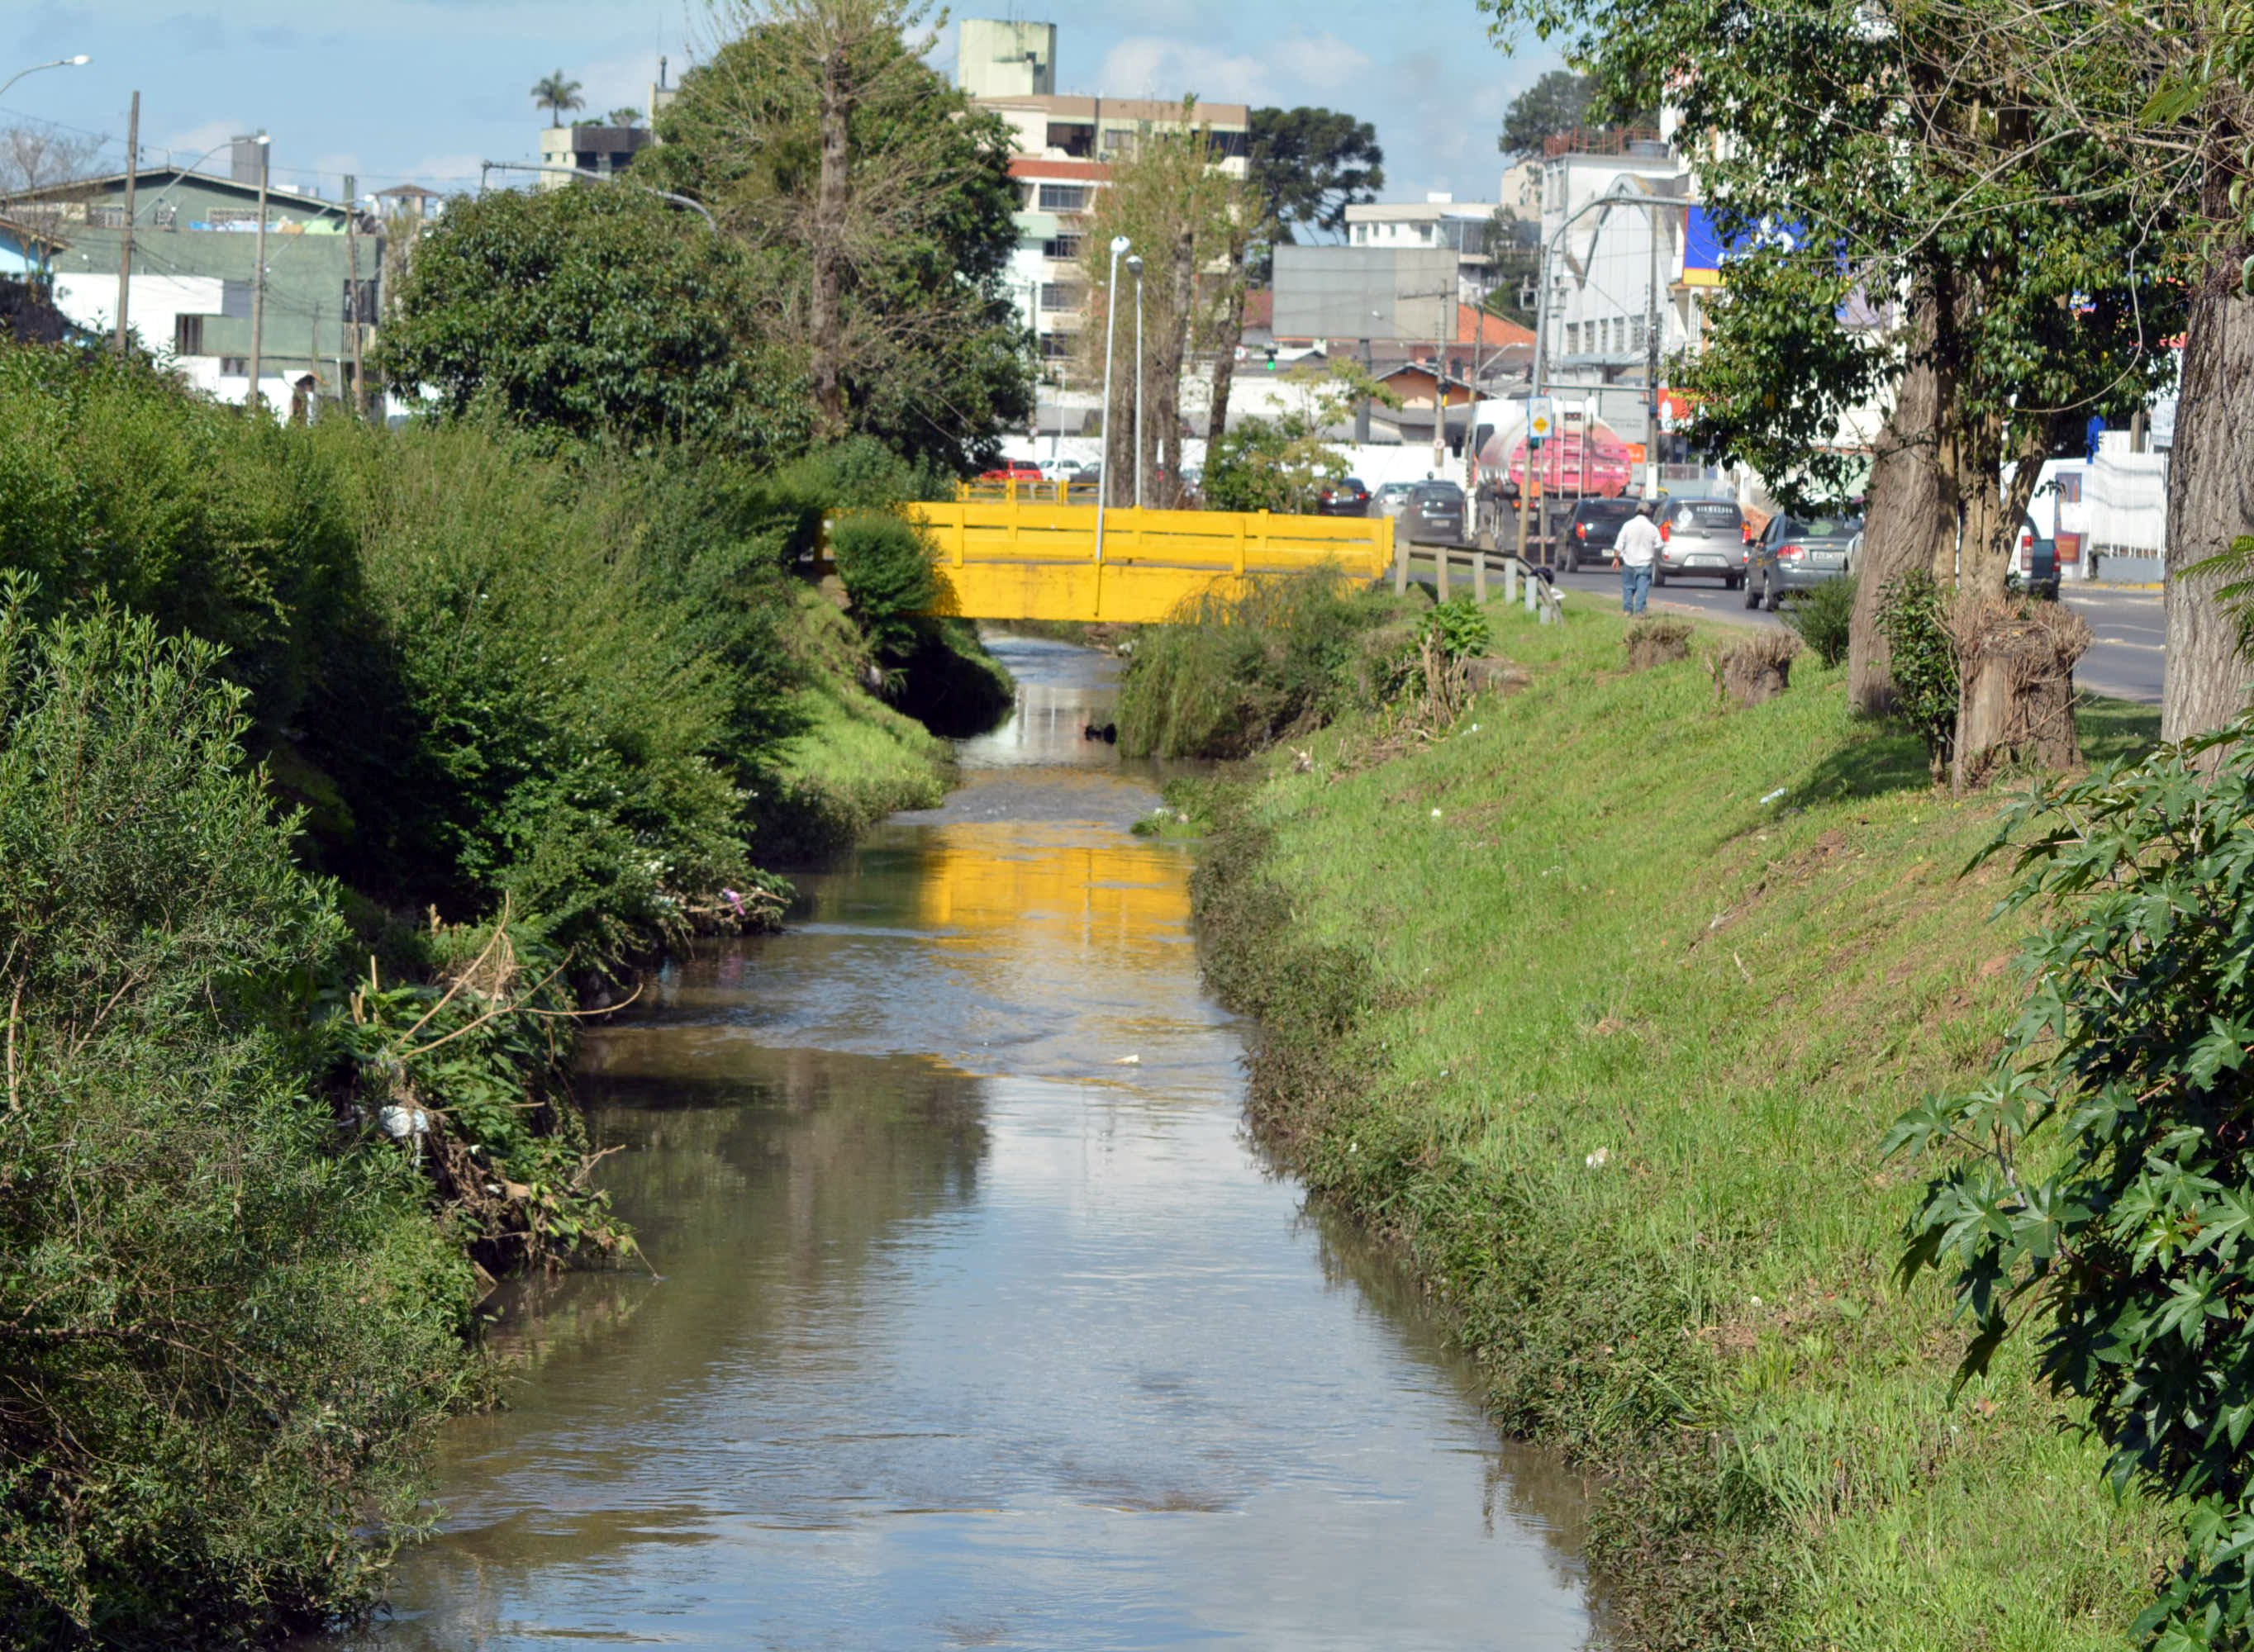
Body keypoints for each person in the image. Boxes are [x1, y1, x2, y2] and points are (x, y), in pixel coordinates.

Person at [1613, 500, 1662, 615]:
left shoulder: (1628, 525)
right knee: (1642, 589)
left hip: (1629, 562)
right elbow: (1659, 545)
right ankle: (1640, 611)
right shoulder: (1653, 528)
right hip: (1645, 563)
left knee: (1628, 588)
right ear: (1649, 512)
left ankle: (1627, 611)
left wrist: (1616, 558)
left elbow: (1618, 545)